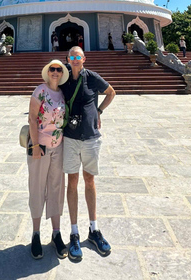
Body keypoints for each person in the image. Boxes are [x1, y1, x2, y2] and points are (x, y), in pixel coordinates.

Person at [60, 46, 116, 261]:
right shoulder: (63, 76)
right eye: (71, 56)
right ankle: (74, 232)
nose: (75, 59)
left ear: (84, 59)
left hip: (91, 138)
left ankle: (94, 229)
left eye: (78, 56)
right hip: (70, 138)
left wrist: (99, 111)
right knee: (72, 181)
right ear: (68, 59)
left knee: (89, 180)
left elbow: (111, 92)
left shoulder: (91, 77)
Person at [27, 59, 69, 260]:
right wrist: (35, 146)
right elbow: (32, 118)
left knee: (57, 188)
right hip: (40, 148)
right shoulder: (40, 91)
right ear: (47, 72)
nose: (55, 72)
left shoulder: (62, 93)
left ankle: (56, 232)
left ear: (62, 73)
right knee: (37, 187)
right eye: (52, 69)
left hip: (58, 147)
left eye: (58, 69)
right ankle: (35, 234)